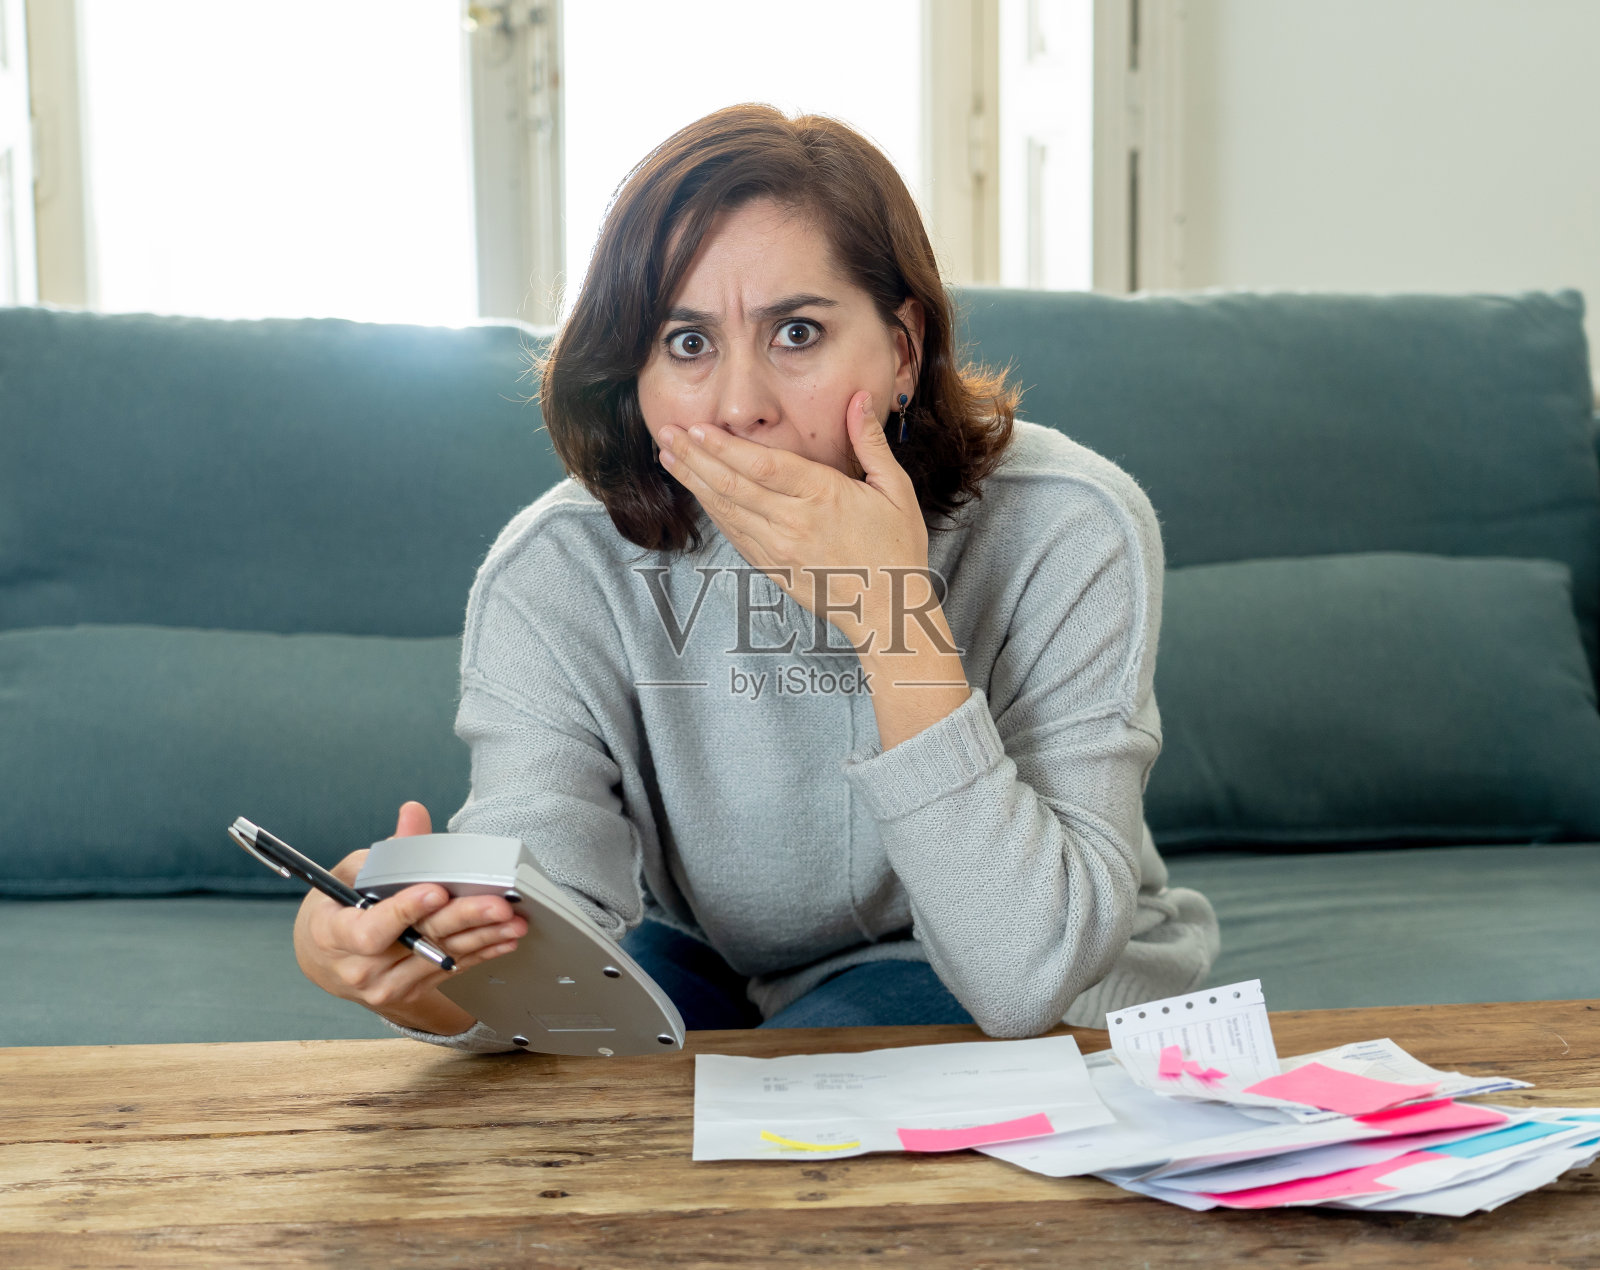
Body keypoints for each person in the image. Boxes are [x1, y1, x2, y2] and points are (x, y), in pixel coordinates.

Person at [293, 104, 1219, 1052]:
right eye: (688, 344)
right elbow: (541, 923)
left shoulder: (1069, 523)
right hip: (704, 957)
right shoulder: (557, 566)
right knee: (565, 1079)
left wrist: (891, 616)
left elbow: (1023, 971)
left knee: (806, 1080)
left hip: (996, 961)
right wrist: (414, 975)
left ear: (903, 349)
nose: (740, 407)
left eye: (798, 333)